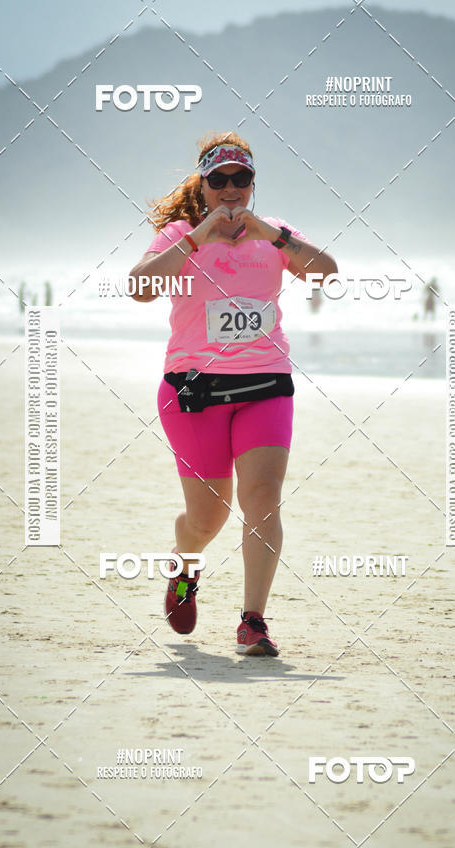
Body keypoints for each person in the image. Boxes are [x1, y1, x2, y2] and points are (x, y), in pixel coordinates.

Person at [129, 132, 337, 656]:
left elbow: (327, 274)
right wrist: (198, 237)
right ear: (202, 185)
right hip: (192, 388)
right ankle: (184, 568)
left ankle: (253, 622)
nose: (229, 188)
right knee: (208, 518)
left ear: (251, 183)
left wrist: (273, 235)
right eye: (218, 179)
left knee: (262, 497)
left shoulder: (275, 235)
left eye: (239, 178)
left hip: (265, 384)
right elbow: (140, 287)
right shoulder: (181, 234)